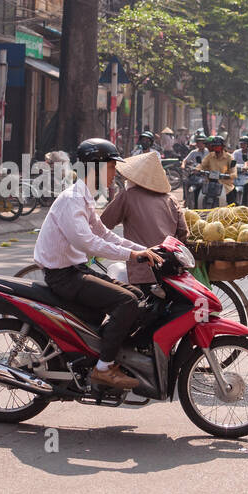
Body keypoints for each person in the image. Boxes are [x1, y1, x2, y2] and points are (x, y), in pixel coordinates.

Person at [33, 139, 164, 392]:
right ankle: (103, 368)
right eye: (112, 167)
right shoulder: (72, 199)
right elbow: (89, 243)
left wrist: (141, 249)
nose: (115, 173)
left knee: (137, 296)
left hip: (75, 270)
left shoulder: (84, 197)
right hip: (64, 277)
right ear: (97, 168)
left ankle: (102, 352)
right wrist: (131, 255)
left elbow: (105, 234)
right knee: (125, 302)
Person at [101, 150, 188, 287]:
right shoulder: (171, 199)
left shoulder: (128, 196)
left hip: (142, 270)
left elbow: (103, 224)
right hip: (170, 269)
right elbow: (183, 232)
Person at [199, 134, 236, 205]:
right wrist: (197, 169)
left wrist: (230, 175)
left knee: (232, 196)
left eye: (218, 146)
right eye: (215, 146)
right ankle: (195, 208)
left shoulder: (229, 157)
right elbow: (202, 165)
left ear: (222, 147)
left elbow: (234, 171)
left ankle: (232, 212)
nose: (216, 148)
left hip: (224, 184)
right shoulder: (209, 156)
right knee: (197, 190)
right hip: (209, 182)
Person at [181, 133, 209, 207]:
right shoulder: (194, 152)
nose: (200, 144)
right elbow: (185, 160)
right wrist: (183, 165)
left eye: (202, 142)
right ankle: (185, 199)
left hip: (205, 175)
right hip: (195, 173)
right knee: (185, 181)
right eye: (198, 142)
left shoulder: (209, 152)